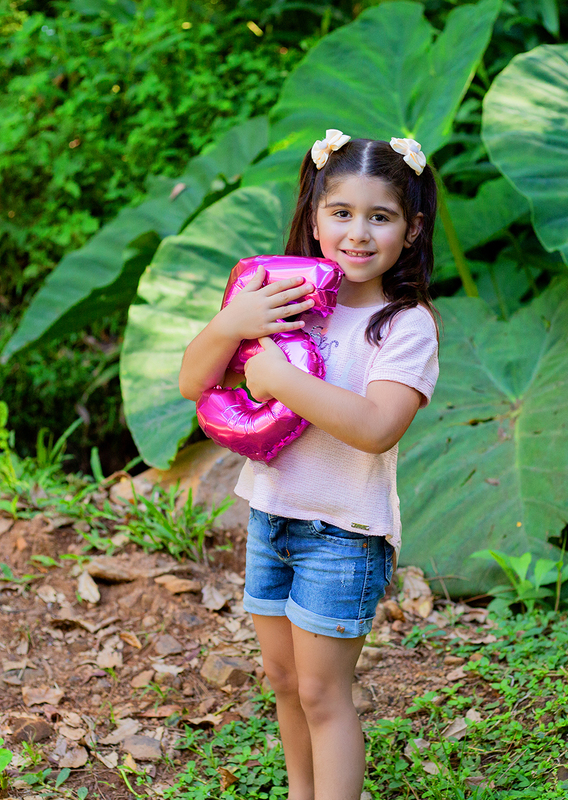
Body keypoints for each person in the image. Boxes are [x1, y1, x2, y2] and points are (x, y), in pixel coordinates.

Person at [178, 129, 440, 800]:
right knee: (285, 681)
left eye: (380, 217)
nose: (358, 233)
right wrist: (230, 323)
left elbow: (376, 428)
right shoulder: (286, 302)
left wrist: (280, 379)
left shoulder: (403, 325)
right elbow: (193, 383)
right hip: (272, 517)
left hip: (344, 533)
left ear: (411, 230)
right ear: (315, 218)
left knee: (324, 693)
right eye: (341, 212)